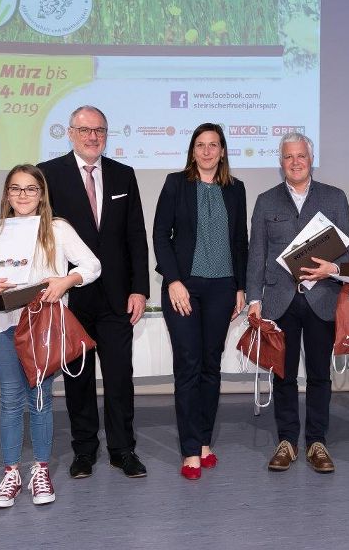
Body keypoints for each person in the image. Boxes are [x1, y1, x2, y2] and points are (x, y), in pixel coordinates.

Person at [0, 165, 101, 507]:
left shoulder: (56, 228)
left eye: (30, 189)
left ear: (41, 194)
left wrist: (64, 281)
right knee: (11, 399)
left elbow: (91, 265)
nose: (23, 195)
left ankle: (39, 471)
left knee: (40, 397)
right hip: (3, 326)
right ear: (7, 194)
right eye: (16, 189)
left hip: (42, 326)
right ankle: (11, 473)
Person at [38, 105, 150, 479]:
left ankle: (123, 450)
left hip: (118, 297)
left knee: (120, 377)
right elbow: (41, 235)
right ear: (70, 133)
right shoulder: (48, 174)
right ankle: (83, 451)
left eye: (99, 130)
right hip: (72, 297)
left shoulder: (123, 175)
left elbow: (136, 235)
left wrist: (140, 289)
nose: (92, 136)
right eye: (85, 130)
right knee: (77, 379)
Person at [245, 132, 349, 473]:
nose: (295, 162)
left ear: (311, 158)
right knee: (284, 376)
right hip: (280, 301)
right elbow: (256, 254)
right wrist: (253, 299)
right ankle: (288, 442)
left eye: (301, 156)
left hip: (322, 298)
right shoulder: (266, 201)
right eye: (289, 157)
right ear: (281, 162)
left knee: (321, 375)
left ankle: (317, 442)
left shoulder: (334, 198)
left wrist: (329, 269)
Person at [152, 123, 248, 480]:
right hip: (184, 288)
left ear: (222, 151)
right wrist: (174, 280)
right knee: (189, 364)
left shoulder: (235, 189)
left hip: (223, 287)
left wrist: (239, 287)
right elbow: (161, 234)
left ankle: (205, 441)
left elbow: (240, 241)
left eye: (214, 145)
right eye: (200, 145)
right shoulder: (176, 184)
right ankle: (190, 450)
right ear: (192, 150)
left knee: (211, 365)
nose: (207, 151)